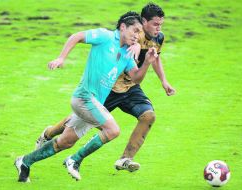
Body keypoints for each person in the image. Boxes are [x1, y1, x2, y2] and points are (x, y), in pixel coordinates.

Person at [14, 11, 158, 182]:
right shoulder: (105, 36)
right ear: (122, 27)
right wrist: (61, 58)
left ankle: (25, 161)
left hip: (94, 102)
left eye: (139, 32)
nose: (137, 36)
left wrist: (147, 63)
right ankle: (74, 160)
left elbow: (136, 78)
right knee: (113, 130)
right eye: (135, 30)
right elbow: (76, 36)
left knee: (65, 142)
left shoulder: (126, 53)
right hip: (84, 97)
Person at [35, 3, 175, 173]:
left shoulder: (158, 37)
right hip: (109, 88)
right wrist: (137, 44)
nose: (159, 28)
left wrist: (164, 81)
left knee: (148, 116)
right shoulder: (131, 33)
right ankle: (48, 134)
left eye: (161, 24)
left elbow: (156, 58)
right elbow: (113, 42)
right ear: (143, 21)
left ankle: (125, 159)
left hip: (130, 87)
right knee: (79, 121)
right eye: (155, 24)